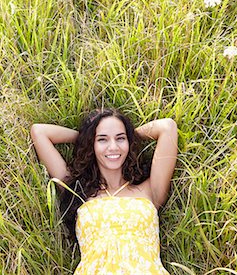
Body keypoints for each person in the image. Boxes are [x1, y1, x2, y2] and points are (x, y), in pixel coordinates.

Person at [30, 108, 178, 274]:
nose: (113, 147)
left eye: (120, 138)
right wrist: (85, 137)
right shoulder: (78, 192)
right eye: (102, 140)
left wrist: (131, 135)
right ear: (91, 144)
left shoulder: (149, 191)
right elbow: (39, 132)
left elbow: (167, 127)